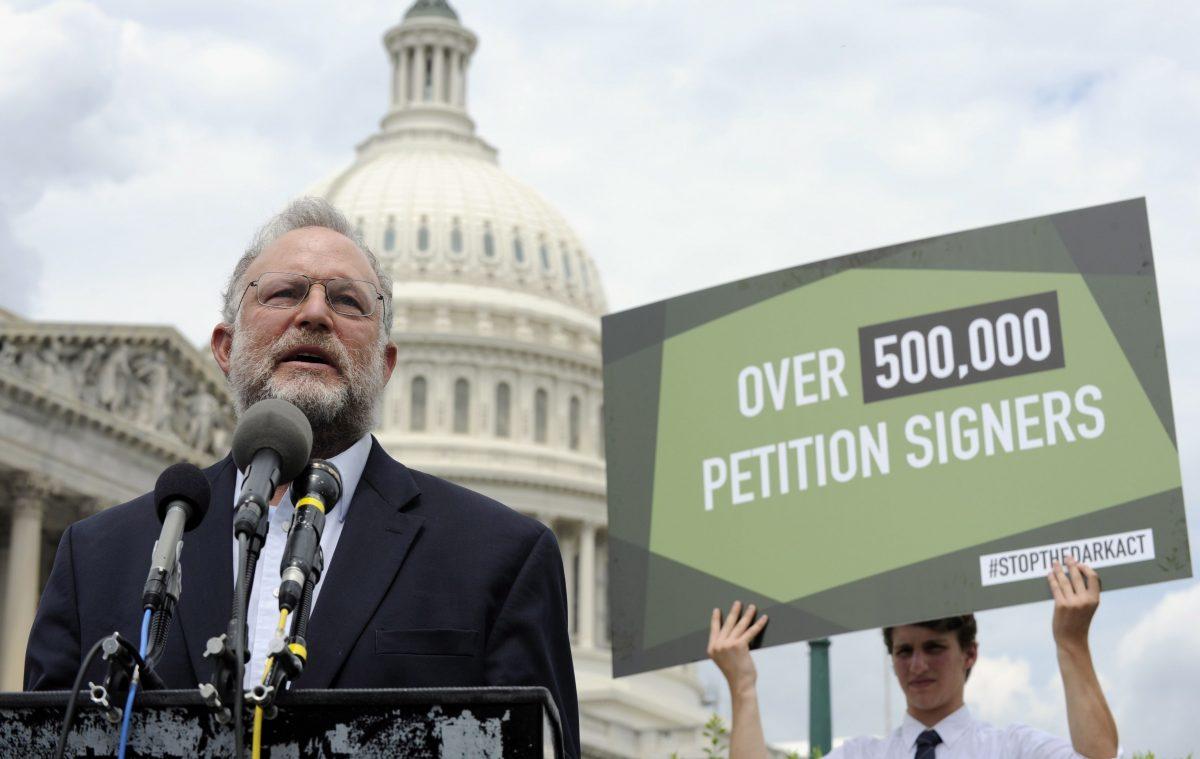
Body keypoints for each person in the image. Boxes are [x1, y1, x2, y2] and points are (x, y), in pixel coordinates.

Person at [24, 197, 580, 757]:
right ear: (225, 347)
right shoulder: (97, 557)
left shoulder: (499, 556)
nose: (315, 313)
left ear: (385, 365)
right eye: (285, 293)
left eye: (347, 301)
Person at [707, 555, 1118, 758]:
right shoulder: (860, 756)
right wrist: (742, 688)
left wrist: (1072, 643)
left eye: (934, 648)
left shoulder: (1013, 748)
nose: (917, 666)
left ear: (969, 654)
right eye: (904, 651)